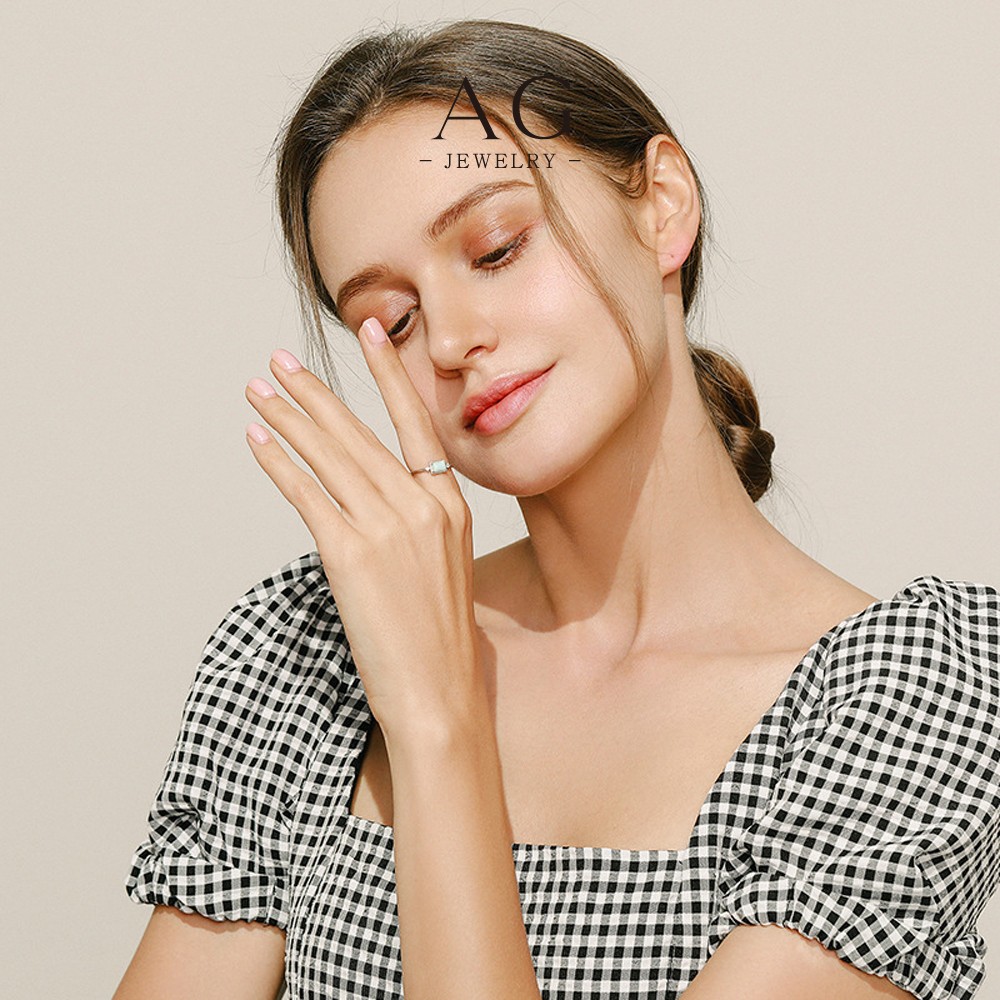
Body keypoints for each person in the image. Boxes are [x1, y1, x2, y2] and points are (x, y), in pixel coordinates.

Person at [112, 18, 1000, 1000]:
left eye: (495, 249)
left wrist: (438, 723)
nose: (447, 340)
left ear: (662, 206)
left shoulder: (916, 688)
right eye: (391, 321)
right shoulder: (313, 652)